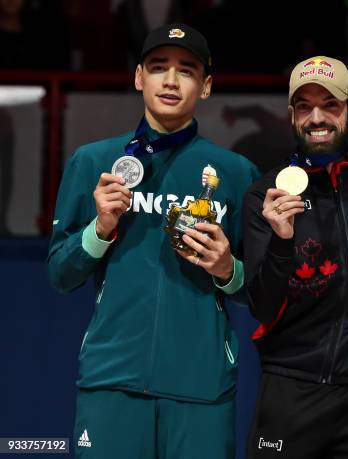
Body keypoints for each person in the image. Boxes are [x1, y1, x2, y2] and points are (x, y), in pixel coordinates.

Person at [47, 23, 258, 459]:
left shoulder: (235, 173)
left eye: (187, 70)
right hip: (111, 381)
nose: (170, 80)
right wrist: (100, 228)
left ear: (206, 87)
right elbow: (60, 274)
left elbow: (259, 289)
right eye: (159, 67)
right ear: (139, 77)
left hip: (202, 385)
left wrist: (227, 270)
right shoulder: (94, 162)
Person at [242, 56, 348, 458]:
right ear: (292, 116)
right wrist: (281, 241)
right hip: (291, 386)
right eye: (304, 106)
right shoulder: (266, 195)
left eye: (330, 105)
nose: (317, 117)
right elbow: (261, 306)